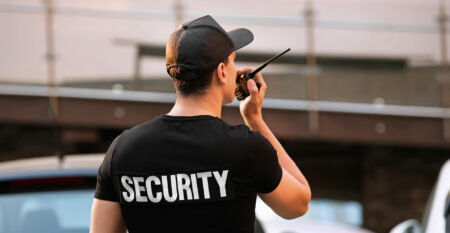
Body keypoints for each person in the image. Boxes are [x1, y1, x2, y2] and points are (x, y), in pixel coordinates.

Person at [90, 15, 311, 233]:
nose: (237, 70)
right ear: (222, 72)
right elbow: (299, 204)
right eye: (233, 61)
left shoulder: (123, 150)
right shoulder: (245, 148)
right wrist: (254, 119)